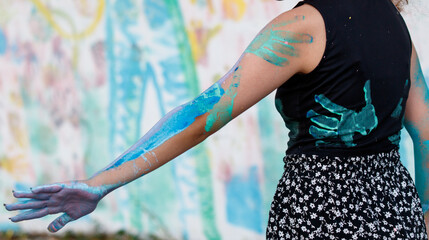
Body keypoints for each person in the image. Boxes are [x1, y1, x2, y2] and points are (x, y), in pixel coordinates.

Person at [4, 0, 429, 238]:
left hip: (319, 215)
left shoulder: (304, 27)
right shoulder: (396, 24)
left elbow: (204, 114)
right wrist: (422, 214)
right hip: (397, 210)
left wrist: (100, 183)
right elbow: (425, 131)